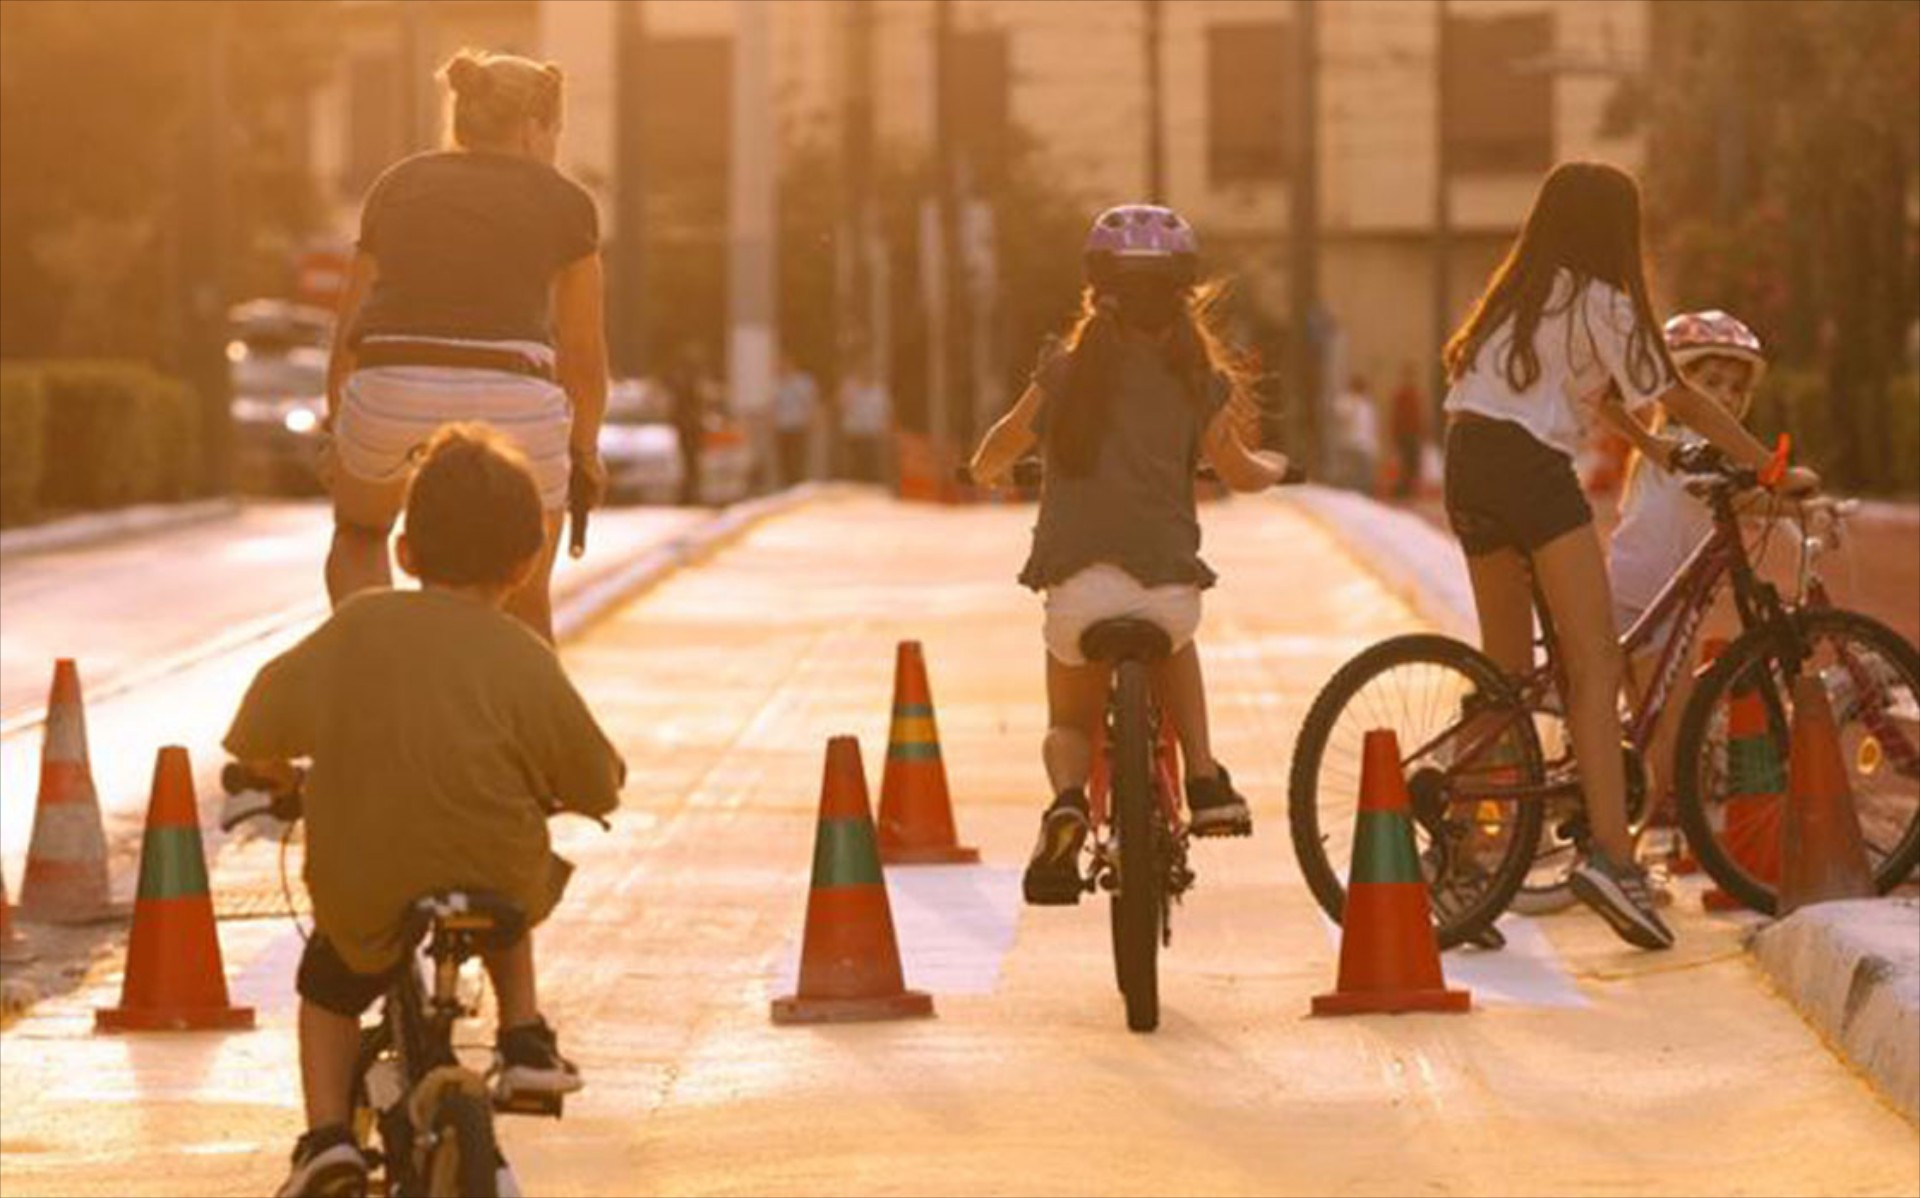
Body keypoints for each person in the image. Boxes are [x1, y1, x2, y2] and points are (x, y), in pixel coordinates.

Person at [226, 426, 625, 1198]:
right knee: (509, 895)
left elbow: (259, 724)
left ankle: (328, 1142)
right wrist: (576, 789)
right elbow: (596, 779)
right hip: (493, 870)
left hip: (365, 877)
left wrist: (272, 775)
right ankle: (523, 1034)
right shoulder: (521, 657)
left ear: (405, 553)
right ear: (525, 562)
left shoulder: (357, 627)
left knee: (329, 989)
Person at [1440, 161, 1816, 950]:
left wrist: (1643, 440)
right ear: (1617, 230)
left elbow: (1591, 396)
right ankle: (1613, 857)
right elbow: (1676, 394)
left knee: (1503, 677)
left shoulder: (1514, 296)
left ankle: (1464, 859)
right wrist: (1767, 467)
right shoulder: (1602, 300)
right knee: (1595, 667)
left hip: (1466, 460)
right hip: (1530, 471)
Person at [969, 204, 1291, 906]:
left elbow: (994, 451)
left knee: (1068, 723)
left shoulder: (1063, 372)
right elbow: (1238, 471)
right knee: (1177, 629)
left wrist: (991, 471)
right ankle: (1204, 778)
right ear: (1184, 295)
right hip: (1165, 595)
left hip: (1077, 596)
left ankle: (1066, 804)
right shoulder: (1199, 380)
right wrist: (1278, 465)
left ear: (1095, 292)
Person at [322, 50, 609, 643]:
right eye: (555, 130)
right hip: (516, 396)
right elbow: (582, 355)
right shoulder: (567, 201)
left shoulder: (396, 185)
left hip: (390, 383)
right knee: (524, 591)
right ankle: (528, 728)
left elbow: (349, 334)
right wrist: (583, 453)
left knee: (359, 533)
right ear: (534, 128)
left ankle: (371, 671)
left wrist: (343, 432)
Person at [1608, 310, 1770, 819]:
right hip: (1652, 598)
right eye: (1712, 383)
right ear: (1681, 386)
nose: (1725, 397)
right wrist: (1799, 502)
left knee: (1645, 727)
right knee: (1669, 732)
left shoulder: (1672, 450)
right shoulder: (1688, 448)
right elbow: (1745, 497)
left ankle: (1634, 822)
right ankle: (1638, 833)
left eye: (1735, 389)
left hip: (1641, 594)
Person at [664, 344, 712, 506]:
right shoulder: (691, 381)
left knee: (690, 461)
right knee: (691, 461)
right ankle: (691, 493)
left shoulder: (683, 379)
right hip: (690, 426)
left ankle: (690, 492)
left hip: (686, 426)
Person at [838, 361, 891, 483]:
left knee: (871, 466)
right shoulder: (850, 388)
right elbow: (842, 405)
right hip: (855, 433)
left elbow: (885, 412)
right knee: (855, 466)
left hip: (873, 434)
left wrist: (885, 431)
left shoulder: (879, 391)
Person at [772, 354, 820, 487]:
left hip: (799, 424)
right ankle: (786, 484)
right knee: (784, 459)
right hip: (781, 426)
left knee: (798, 457)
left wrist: (812, 420)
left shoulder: (803, 381)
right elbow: (773, 404)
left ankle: (799, 484)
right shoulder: (776, 383)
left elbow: (810, 402)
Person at [1329, 373, 1381, 493]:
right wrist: (1354, 403)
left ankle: (1363, 494)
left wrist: (1374, 445)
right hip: (1350, 443)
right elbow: (1340, 415)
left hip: (1365, 445)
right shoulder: (1345, 401)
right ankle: (1349, 493)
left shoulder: (1367, 404)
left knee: (1364, 475)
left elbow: (1371, 426)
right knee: (1350, 474)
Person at [1390, 362, 1425, 499]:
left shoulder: (1416, 394)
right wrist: (1394, 434)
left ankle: (1409, 489)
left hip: (1414, 434)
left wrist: (1422, 433)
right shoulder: (1401, 395)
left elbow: (1420, 416)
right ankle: (1403, 489)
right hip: (1404, 434)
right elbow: (1396, 415)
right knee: (1404, 463)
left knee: (1413, 463)